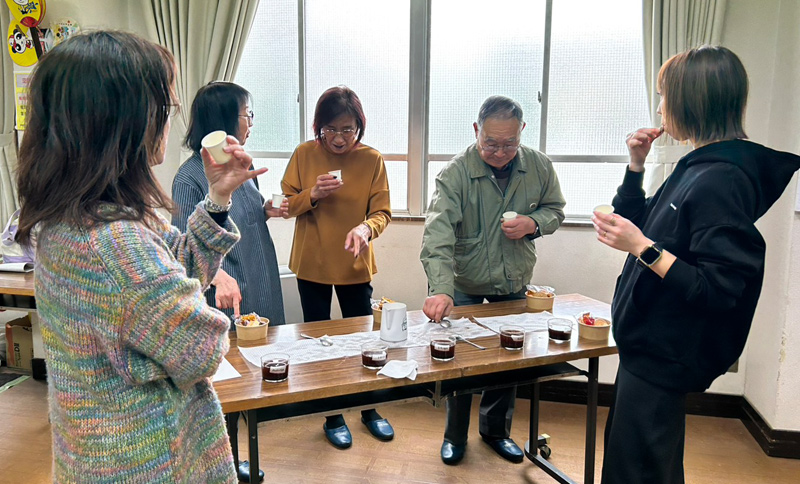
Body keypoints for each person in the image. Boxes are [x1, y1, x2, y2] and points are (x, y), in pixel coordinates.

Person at [14, 31, 264, 483]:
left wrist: (218, 198)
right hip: (147, 463)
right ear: (125, 120)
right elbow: (201, 348)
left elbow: (179, 266)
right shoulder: (113, 246)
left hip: (97, 453)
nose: (170, 121)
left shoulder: (76, 216)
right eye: (165, 108)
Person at [593, 45, 800, 484]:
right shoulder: (700, 165)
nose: (661, 107)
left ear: (692, 100)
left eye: (665, 95)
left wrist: (642, 248)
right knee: (643, 464)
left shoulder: (722, 179)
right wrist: (635, 167)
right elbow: (642, 224)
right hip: (647, 349)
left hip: (663, 353)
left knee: (639, 471)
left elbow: (720, 288)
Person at [420, 95, 566, 465]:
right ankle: (455, 436)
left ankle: (495, 430)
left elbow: (556, 209)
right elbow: (437, 235)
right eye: (491, 143)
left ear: (522, 133)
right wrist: (440, 288)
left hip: (513, 277)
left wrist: (534, 224)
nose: (500, 152)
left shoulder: (538, 166)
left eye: (509, 143)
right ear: (476, 131)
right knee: (459, 361)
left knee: (508, 357)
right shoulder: (455, 173)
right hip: (465, 280)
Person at [281, 85, 393, 449]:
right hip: (312, 262)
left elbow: (382, 213)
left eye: (348, 129)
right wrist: (312, 194)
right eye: (331, 129)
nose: (340, 138)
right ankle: (332, 414)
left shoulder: (372, 159)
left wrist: (365, 228)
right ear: (319, 127)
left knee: (364, 338)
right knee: (319, 341)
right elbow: (285, 205)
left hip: (354, 261)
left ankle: (369, 408)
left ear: (359, 126)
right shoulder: (303, 154)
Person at [172, 81, 285, 325]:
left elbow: (240, 215)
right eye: (247, 114)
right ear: (224, 120)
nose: (251, 122)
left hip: (260, 274)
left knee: (269, 349)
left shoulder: (242, 165)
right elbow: (182, 247)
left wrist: (264, 211)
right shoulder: (188, 177)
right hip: (226, 287)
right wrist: (218, 276)